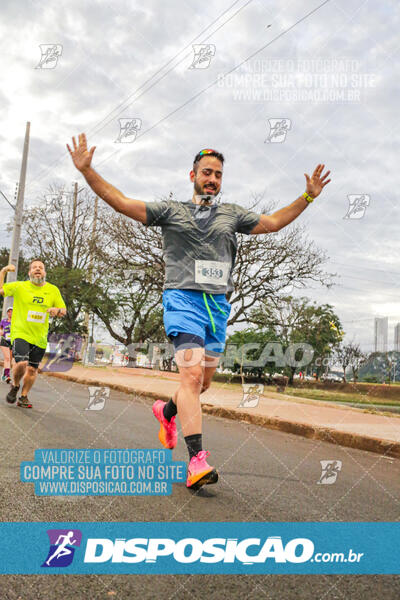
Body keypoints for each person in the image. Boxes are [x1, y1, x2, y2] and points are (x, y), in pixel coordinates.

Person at [67, 133, 331, 490]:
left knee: (202, 383)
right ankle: (197, 462)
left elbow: (273, 223)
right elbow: (122, 202)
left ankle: (167, 411)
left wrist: (307, 197)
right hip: (182, 300)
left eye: (218, 174)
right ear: (192, 175)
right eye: (207, 172)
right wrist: (88, 171)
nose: (213, 179)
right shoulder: (171, 211)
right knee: (190, 378)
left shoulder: (232, 214)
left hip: (217, 307)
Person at [0, 261, 67, 408]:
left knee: (32, 369)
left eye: (41, 268)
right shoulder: (20, 286)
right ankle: (16, 385)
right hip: (20, 333)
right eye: (34, 267)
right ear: (29, 273)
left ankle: (23, 396)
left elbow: (63, 310)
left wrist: (57, 311)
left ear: (45, 273)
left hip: (40, 337)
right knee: (22, 363)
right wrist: (3, 271)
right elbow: (1, 290)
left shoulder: (53, 290)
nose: (38, 269)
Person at [0, 307, 13, 383]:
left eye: (11, 312)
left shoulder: (16, 322)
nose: (10, 313)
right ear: (7, 313)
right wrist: (1, 331)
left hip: (12, 342)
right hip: (4, 341)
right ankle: (7, 375)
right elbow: (1, 330)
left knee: (9, 360)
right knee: (7, 358)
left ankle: (4, 375)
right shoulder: (3, 321)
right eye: (9, 311)